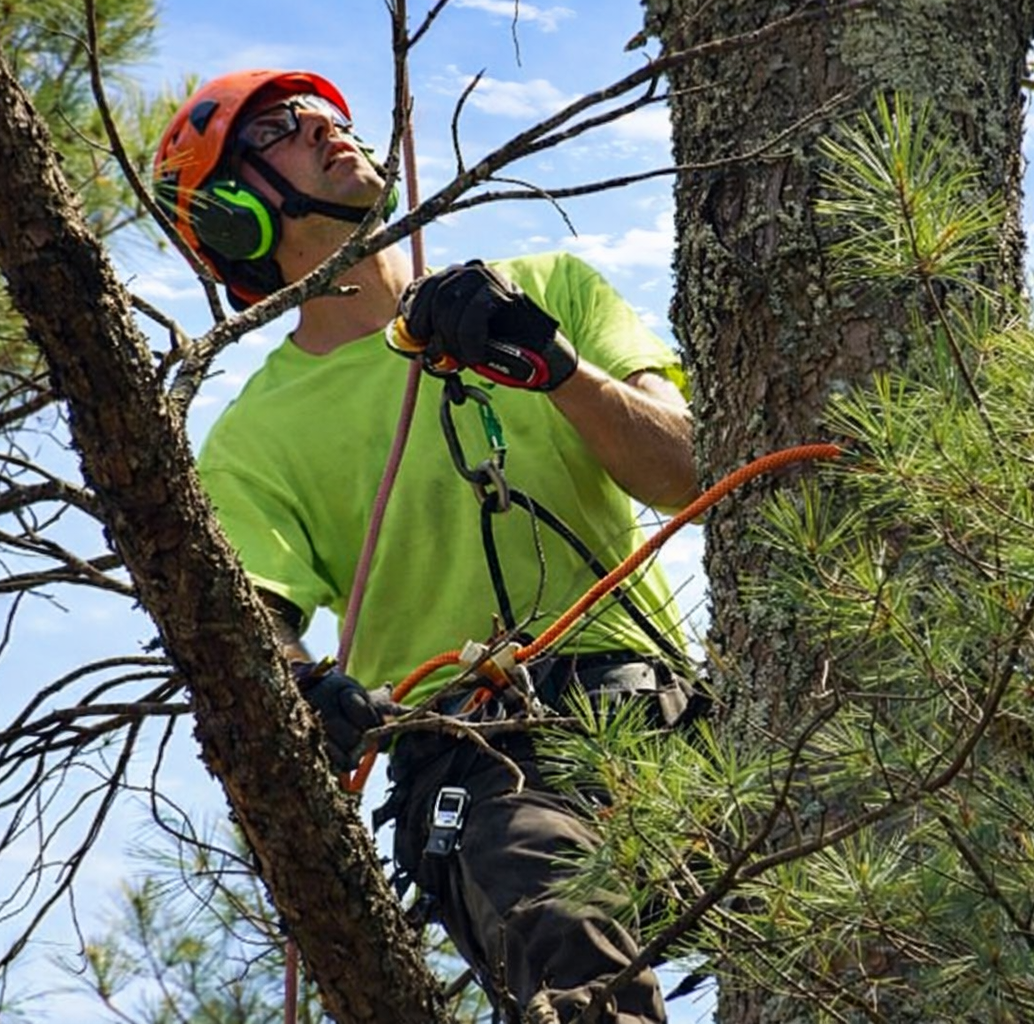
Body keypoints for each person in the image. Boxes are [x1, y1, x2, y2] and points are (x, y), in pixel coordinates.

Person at [154, 69, 698, 1023]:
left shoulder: (541, 290)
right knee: (567, 949)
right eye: (280, 129)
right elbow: (250, 627)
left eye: (327, 113)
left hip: (662, 706)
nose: (324, 127)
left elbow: (687, 474)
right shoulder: (256, 438)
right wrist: (304, 687)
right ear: (233, 216)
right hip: (481, 761)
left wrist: (555, 367)